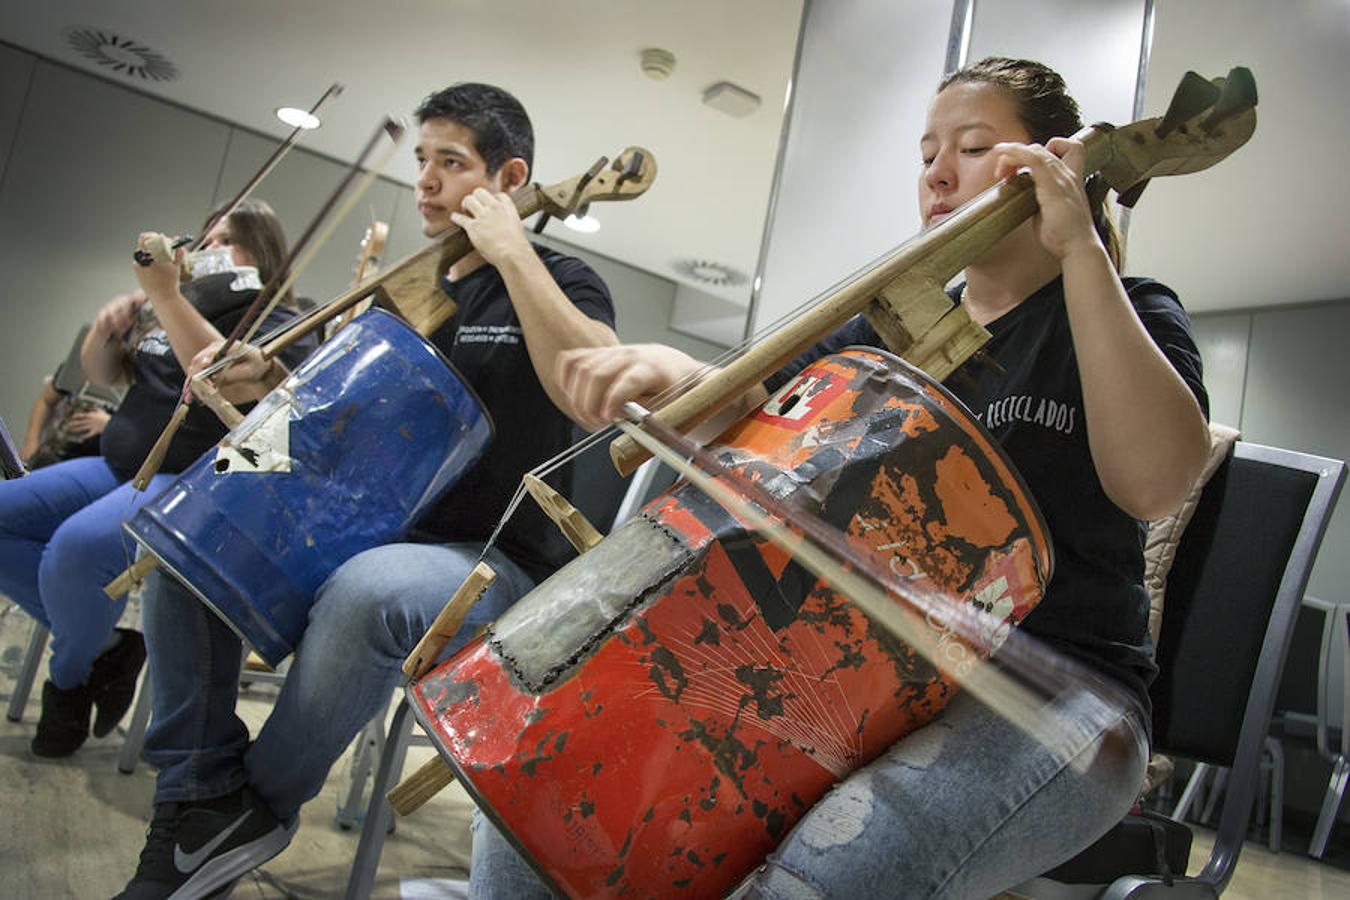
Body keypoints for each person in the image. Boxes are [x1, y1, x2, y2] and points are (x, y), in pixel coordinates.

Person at [473, 57, 1212, 899]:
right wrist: (679, 375)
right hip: (861, 674)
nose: (937, 173)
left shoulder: (1127, 307)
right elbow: (765, 416)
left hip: (1061, 691)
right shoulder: (890, 326)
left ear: (1051, 165)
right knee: (549, 784)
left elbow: (1155, 483)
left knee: (821, 877)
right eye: (927, 153)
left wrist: (1079, 246)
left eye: (974, 147)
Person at [115, 82, 617, 899]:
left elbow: (591, 385)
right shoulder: (414, 288)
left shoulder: (562, 277)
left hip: (495, 558)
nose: (425, 181)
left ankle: (252, 809)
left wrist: (514, 253)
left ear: (510, 178)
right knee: (184, 540)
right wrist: (270, 375)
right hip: (373, 529)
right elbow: (339, 411)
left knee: (367, 593)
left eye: (451, 162)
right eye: (421, 160)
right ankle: (197, 792)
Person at [0, 198, 309, 759]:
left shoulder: (278, 320)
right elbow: (104, 374)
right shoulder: (180, 302)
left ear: (260, 252)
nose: (208, 250)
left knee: (74, 551)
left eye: (227, 241)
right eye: (207, 238)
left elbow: (220, 381)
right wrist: (108, 329)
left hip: (190, 479)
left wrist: (167, 298)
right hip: (115, 463)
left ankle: (67, 681)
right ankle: (108, 648)